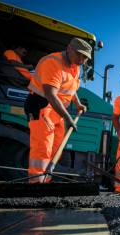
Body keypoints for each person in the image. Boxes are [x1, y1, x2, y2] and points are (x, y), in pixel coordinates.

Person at [24, 38, 90, 183]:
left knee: (56, 149)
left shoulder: (75, 66)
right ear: (69, 49)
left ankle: (45, 181)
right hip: (42, 105)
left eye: (85, 57)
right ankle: (35, 184)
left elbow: (71, 87)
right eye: (80, 55)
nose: (82, 60)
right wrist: (68, 118)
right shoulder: (53, 63)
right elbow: (51, 95)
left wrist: (78, 104)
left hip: (56, 110)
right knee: (43, 148)